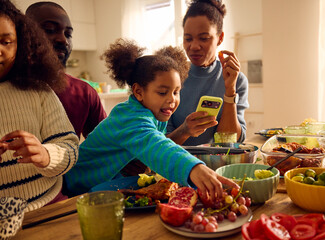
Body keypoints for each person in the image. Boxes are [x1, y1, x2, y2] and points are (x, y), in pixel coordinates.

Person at [64, 39, 239, 201]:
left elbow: (155, 145)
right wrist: (193, 167)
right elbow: (156, 145)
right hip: (77, 187)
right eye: (162, 92)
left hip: (109, 180)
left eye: (176, 92)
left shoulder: (152, 111)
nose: (172, 99)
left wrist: (185, 130)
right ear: (139, 92)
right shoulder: (130, 118)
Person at [0, 0, 78, 212]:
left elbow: (70, 148)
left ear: (21, 44)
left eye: (6, 41)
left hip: (49, 208)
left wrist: (45, 155)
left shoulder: (38, 91)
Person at [166, 0, 249, 146]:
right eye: (188, 38)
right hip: (176, 163)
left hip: (217, 164)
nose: (194, 46)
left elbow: (231, 140)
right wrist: (185, 131)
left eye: (204, 38)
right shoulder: (172, 78)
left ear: (220, 38)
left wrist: (230, 92)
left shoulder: (237, 80)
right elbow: (159, 142)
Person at [25, 2, 107, 139]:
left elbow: (105, 147)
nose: (63, 40)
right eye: (50, 30)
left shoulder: (84, 93)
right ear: (24, 35)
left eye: (68, 34)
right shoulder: (7, 86)